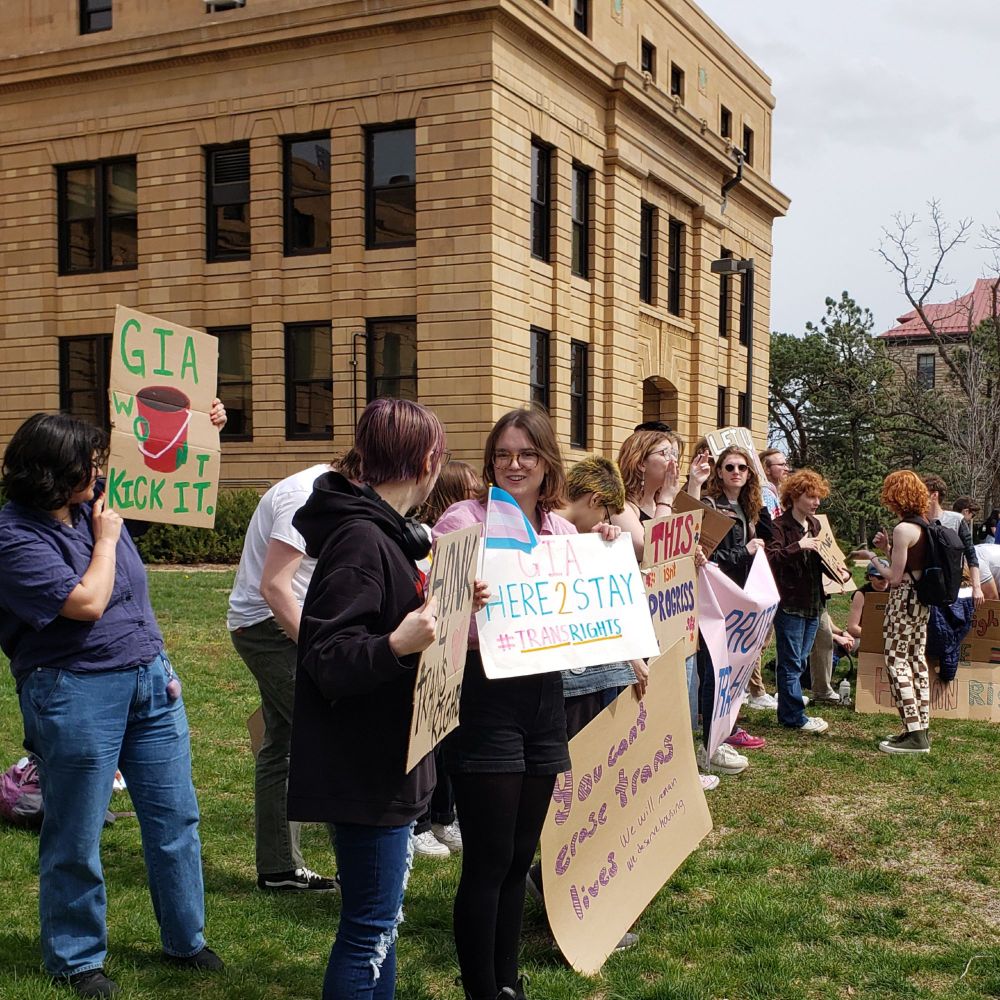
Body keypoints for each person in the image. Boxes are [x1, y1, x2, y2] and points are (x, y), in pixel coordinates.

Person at [0, 409, 228, 999]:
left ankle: (186, 938)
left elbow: (167, 475)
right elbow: (85, 603)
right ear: (53, 472)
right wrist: (103, 541)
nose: (101, 470)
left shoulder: (93, 501)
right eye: (90, 462)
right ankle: (77, 958)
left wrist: (198, 427)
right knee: (75, 834)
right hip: (73, 692)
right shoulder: (13, 536)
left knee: (175, 816)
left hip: (150, 681)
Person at [287, 398, 479, 1000]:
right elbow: (327, 658)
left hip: (390, 759)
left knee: (383, 928)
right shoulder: (360, 542)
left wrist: (452, 599)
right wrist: (397, 643)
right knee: (369, 926)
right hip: (367, 769)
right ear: (427, 461)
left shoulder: (389, 536)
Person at [434, 407, 613, 1000]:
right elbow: (437, 608)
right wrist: (465, 591)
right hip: (483, 690)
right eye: (504, 454)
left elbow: (589, 607)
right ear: (491, 461)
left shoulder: (563, 535)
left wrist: (606, 549)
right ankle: (480, 989)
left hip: (543, 697)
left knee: (517, 856)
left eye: (527, 455)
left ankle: (506, 983)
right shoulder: (464, 520)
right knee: (486, 860)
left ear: (546, 465)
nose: (515, 464)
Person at [226, 454, 361, 891]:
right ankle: (360, 871)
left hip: (291, 627)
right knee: (331, 739)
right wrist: (320, 649)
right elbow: (273, 587)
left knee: (283, 743)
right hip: (267, 628)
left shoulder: (341, 492)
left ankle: (279, 869)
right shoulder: (305, 495)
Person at [411, 460, 480, 859]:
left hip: (456, 649)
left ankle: (442, 815)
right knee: (428, 740)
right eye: (469, 491)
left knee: (450, 734)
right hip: (430, 650)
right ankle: (419, 822)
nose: (477, 498)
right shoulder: (428, 540)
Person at [695, 445, 769, 774]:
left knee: (733, 672)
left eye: (742, 467)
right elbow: (707, 558)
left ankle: (723, 734)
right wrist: (746, 550)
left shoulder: (747, 508)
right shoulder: (711, 506)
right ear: (719, 472)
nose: (736, 472)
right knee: (715, 671)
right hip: (715, 600)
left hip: (740, 600)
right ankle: (711, 743)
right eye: (729, 467)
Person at [765, 469, 850, 734]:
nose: (816, 502)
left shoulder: (814, 525)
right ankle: (794, 717)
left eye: (818, 497)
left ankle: (789, 708)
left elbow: (820, 557)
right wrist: (799, 546)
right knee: (790, 662)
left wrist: (839, 574)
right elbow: (772, 558)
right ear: (794, 496)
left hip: (814, 602)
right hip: (789, 603)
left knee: (799, 660)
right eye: (810, 496)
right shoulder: (779, 527)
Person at [871, 471, 933, 755]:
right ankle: (920, 727)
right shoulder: (926, 526)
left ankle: (914, 735)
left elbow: (894, 578)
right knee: (917, 660)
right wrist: (888, 548)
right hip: (922, 602)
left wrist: (873, 558)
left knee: (896, 662)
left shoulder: (903, 529)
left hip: (903, 600)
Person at [614, 427, 682, 560]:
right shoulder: (621, 506)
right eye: (665, 453)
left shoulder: (660, 504)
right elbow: (648, 550)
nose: (674, 460)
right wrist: (666, 497)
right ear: (641, 464)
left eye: (674, 453)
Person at [923, 476, 984, 608]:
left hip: (950, 587)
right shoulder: (919, 521)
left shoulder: (956, 520)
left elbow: (971, 555)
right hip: (925, 587)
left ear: (934, 495)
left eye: (923, 493)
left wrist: (977, 587)